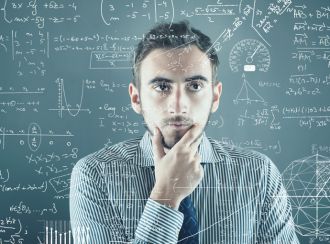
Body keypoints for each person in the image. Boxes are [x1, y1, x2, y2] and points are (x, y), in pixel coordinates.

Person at [69, 21, 300, 243]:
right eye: (162, 87)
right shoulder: (95, 175)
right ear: (136, 98)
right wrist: (167, 195)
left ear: (215, 97)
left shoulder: (259, 174)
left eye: (195, 86)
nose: (179, 105)